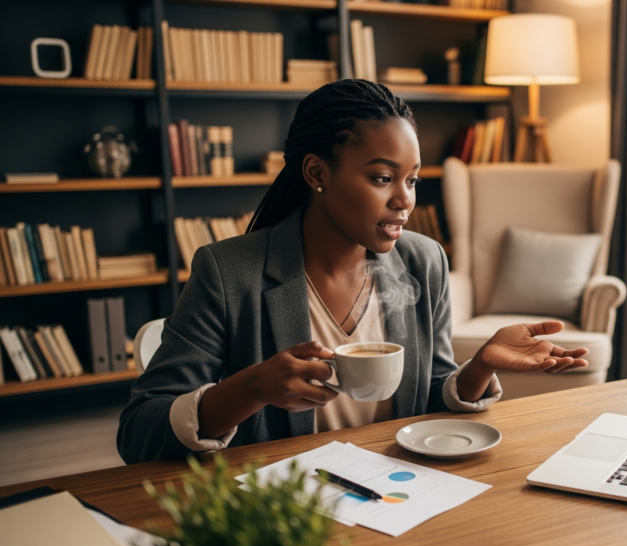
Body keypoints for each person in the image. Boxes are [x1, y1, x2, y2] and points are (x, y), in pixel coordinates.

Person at [117, 80, 589, 464]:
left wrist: (480, 365)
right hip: (288, 513)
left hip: (399, 496)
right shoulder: (228, 272)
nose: (404, 199)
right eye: (383, 178)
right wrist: (252, 387)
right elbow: (139, 433)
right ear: (317, 173)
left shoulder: (424, 262)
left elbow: (427, 400)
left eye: (412, 179)